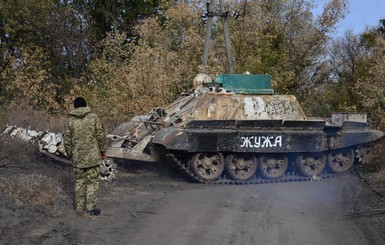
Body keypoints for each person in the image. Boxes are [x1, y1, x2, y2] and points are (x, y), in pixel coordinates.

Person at [63, 96, 107, 216]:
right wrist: (103, 150)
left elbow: (66, 140)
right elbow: (100, 135)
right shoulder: (93, 118)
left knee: (79, 181)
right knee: (92, 182)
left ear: (75, 107)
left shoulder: (70, 121)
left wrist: (70, 154)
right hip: (93, 156)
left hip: (78, 157)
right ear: (85, 105)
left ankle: (79, 208)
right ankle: (91, 208)